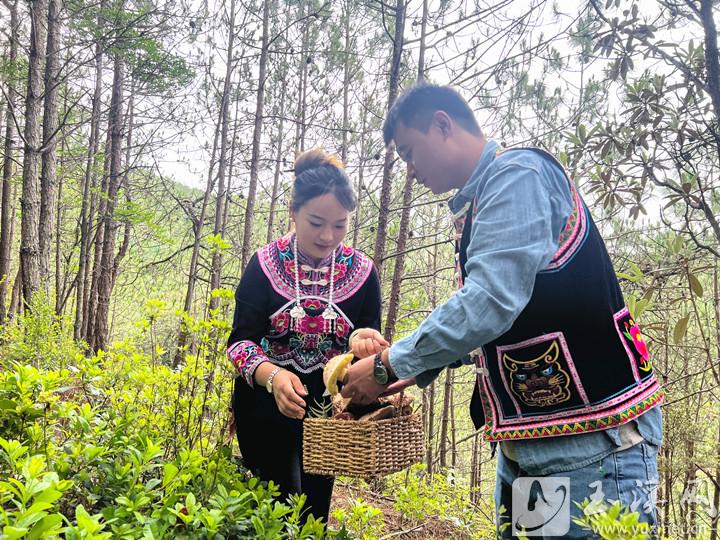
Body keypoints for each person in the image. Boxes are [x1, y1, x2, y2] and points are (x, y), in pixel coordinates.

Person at [340, 83, 664, 538]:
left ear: (442, 124)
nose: (411, 172)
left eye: (411, 153)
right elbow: (498, 317)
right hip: (536, 444)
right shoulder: (486, 200)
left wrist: (386, 366)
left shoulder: (518, 175)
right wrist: (402, 369)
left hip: (593, 445)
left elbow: (490, 301)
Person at [227, 148, 385, 523]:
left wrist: (365, 344)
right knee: (277, 513)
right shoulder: (265, 264)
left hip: (326, 418)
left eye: (340, 225)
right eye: (315, 222)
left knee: (313, 517)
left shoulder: (363, 273)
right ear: (292, 211)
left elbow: (367, 342)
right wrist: (275, 376)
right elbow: (239, 343)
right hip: (264, 405)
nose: (328, 236)